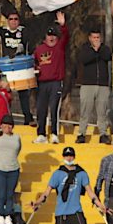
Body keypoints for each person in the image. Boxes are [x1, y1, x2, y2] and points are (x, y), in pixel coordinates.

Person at [30, 146, 109, 224]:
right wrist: (37, 202)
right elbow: (47, 192)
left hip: (76, 212)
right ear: (63, 157)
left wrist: (99, 204)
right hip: (61, 213)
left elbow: (89, 191)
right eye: (67, 156)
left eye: (71, 155)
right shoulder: (57, 174)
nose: (69, 158)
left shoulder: (81, 173)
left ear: (74, 157)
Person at [0, 10, 35, 125]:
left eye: (16, 19)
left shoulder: (23, 31)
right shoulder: (3, 31)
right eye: (11, 19)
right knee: (6, 92)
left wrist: (19, 50)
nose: (13, 21)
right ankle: (6, 119)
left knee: (23, 93)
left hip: (20, 66)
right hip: (6, 67)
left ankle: (28, 118)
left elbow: (24, 43)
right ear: (7, 21)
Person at [33, 13, 68, 143]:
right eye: (49, 35)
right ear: (45, 37)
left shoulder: (60, 47)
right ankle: (41, 134)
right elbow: (33, 62)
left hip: (56, 82)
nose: (51, 38)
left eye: (53, 35)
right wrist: (35, 69)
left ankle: (54, 133)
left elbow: (66, 35)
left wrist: (62, 25)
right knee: (41, 108)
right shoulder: (39, 49)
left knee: (54, 108)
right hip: (42, 83)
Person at [77, 27, 113, 143]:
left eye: (98, 37)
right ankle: (82, 133)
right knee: (85, 111)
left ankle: (103, 134)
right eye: (94, 37)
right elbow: (84, 59)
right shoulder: (85, 49)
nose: (96, 40)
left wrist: (98, 50)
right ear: (89, 38)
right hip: (88, 84)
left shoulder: (105, 49)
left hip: (102, 85)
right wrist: (95, 51)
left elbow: (107, 56)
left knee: (102, 112)